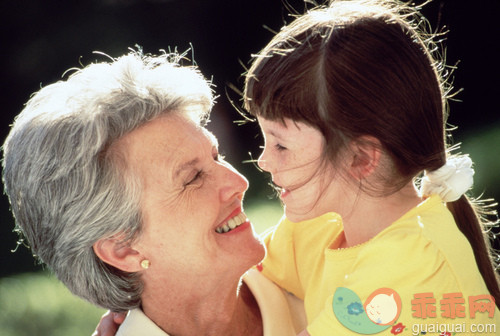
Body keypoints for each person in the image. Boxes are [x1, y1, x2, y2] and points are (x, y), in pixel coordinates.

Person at [2, 51, 306, 335]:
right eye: (193, 178)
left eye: (216, 157)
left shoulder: (331, 268)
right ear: (124, 250)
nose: (239, 182)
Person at [243, 0, 500, 334]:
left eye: (281, 145)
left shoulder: (411, 265)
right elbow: (230, 275)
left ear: (361, 158)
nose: (263, 161)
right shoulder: (319, 227)